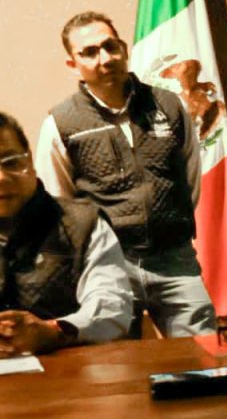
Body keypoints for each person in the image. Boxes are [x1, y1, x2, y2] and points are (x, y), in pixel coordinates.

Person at [35, 11, 216, 338]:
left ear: (124, 49)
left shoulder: (168, 105)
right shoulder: (60, 123)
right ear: (73, 65)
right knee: (114, 360)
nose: (104, 59)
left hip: (175, 260)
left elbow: (190, 176)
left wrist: (167, 223)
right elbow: (59, 203)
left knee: (202, 353)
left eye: (110, 46)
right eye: (89, 52)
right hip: (109, 266)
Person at [0, 111, 131, 357]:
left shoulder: (83, 223)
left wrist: (52, 331)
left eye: (11, 163)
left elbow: (112, 308)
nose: (2, 178)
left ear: (30, 161)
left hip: (69, 369)